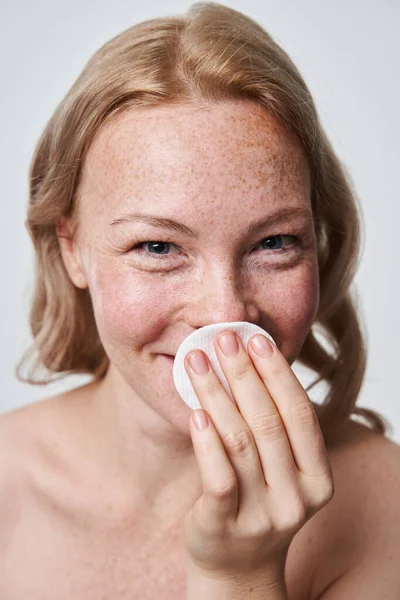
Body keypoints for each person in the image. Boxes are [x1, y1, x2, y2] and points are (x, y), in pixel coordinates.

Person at [1, 2, 399, 598]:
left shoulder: (385, 506)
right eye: (158, 246)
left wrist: (240, 577)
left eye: (274, 242)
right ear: (71, 248)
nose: (224, 315)